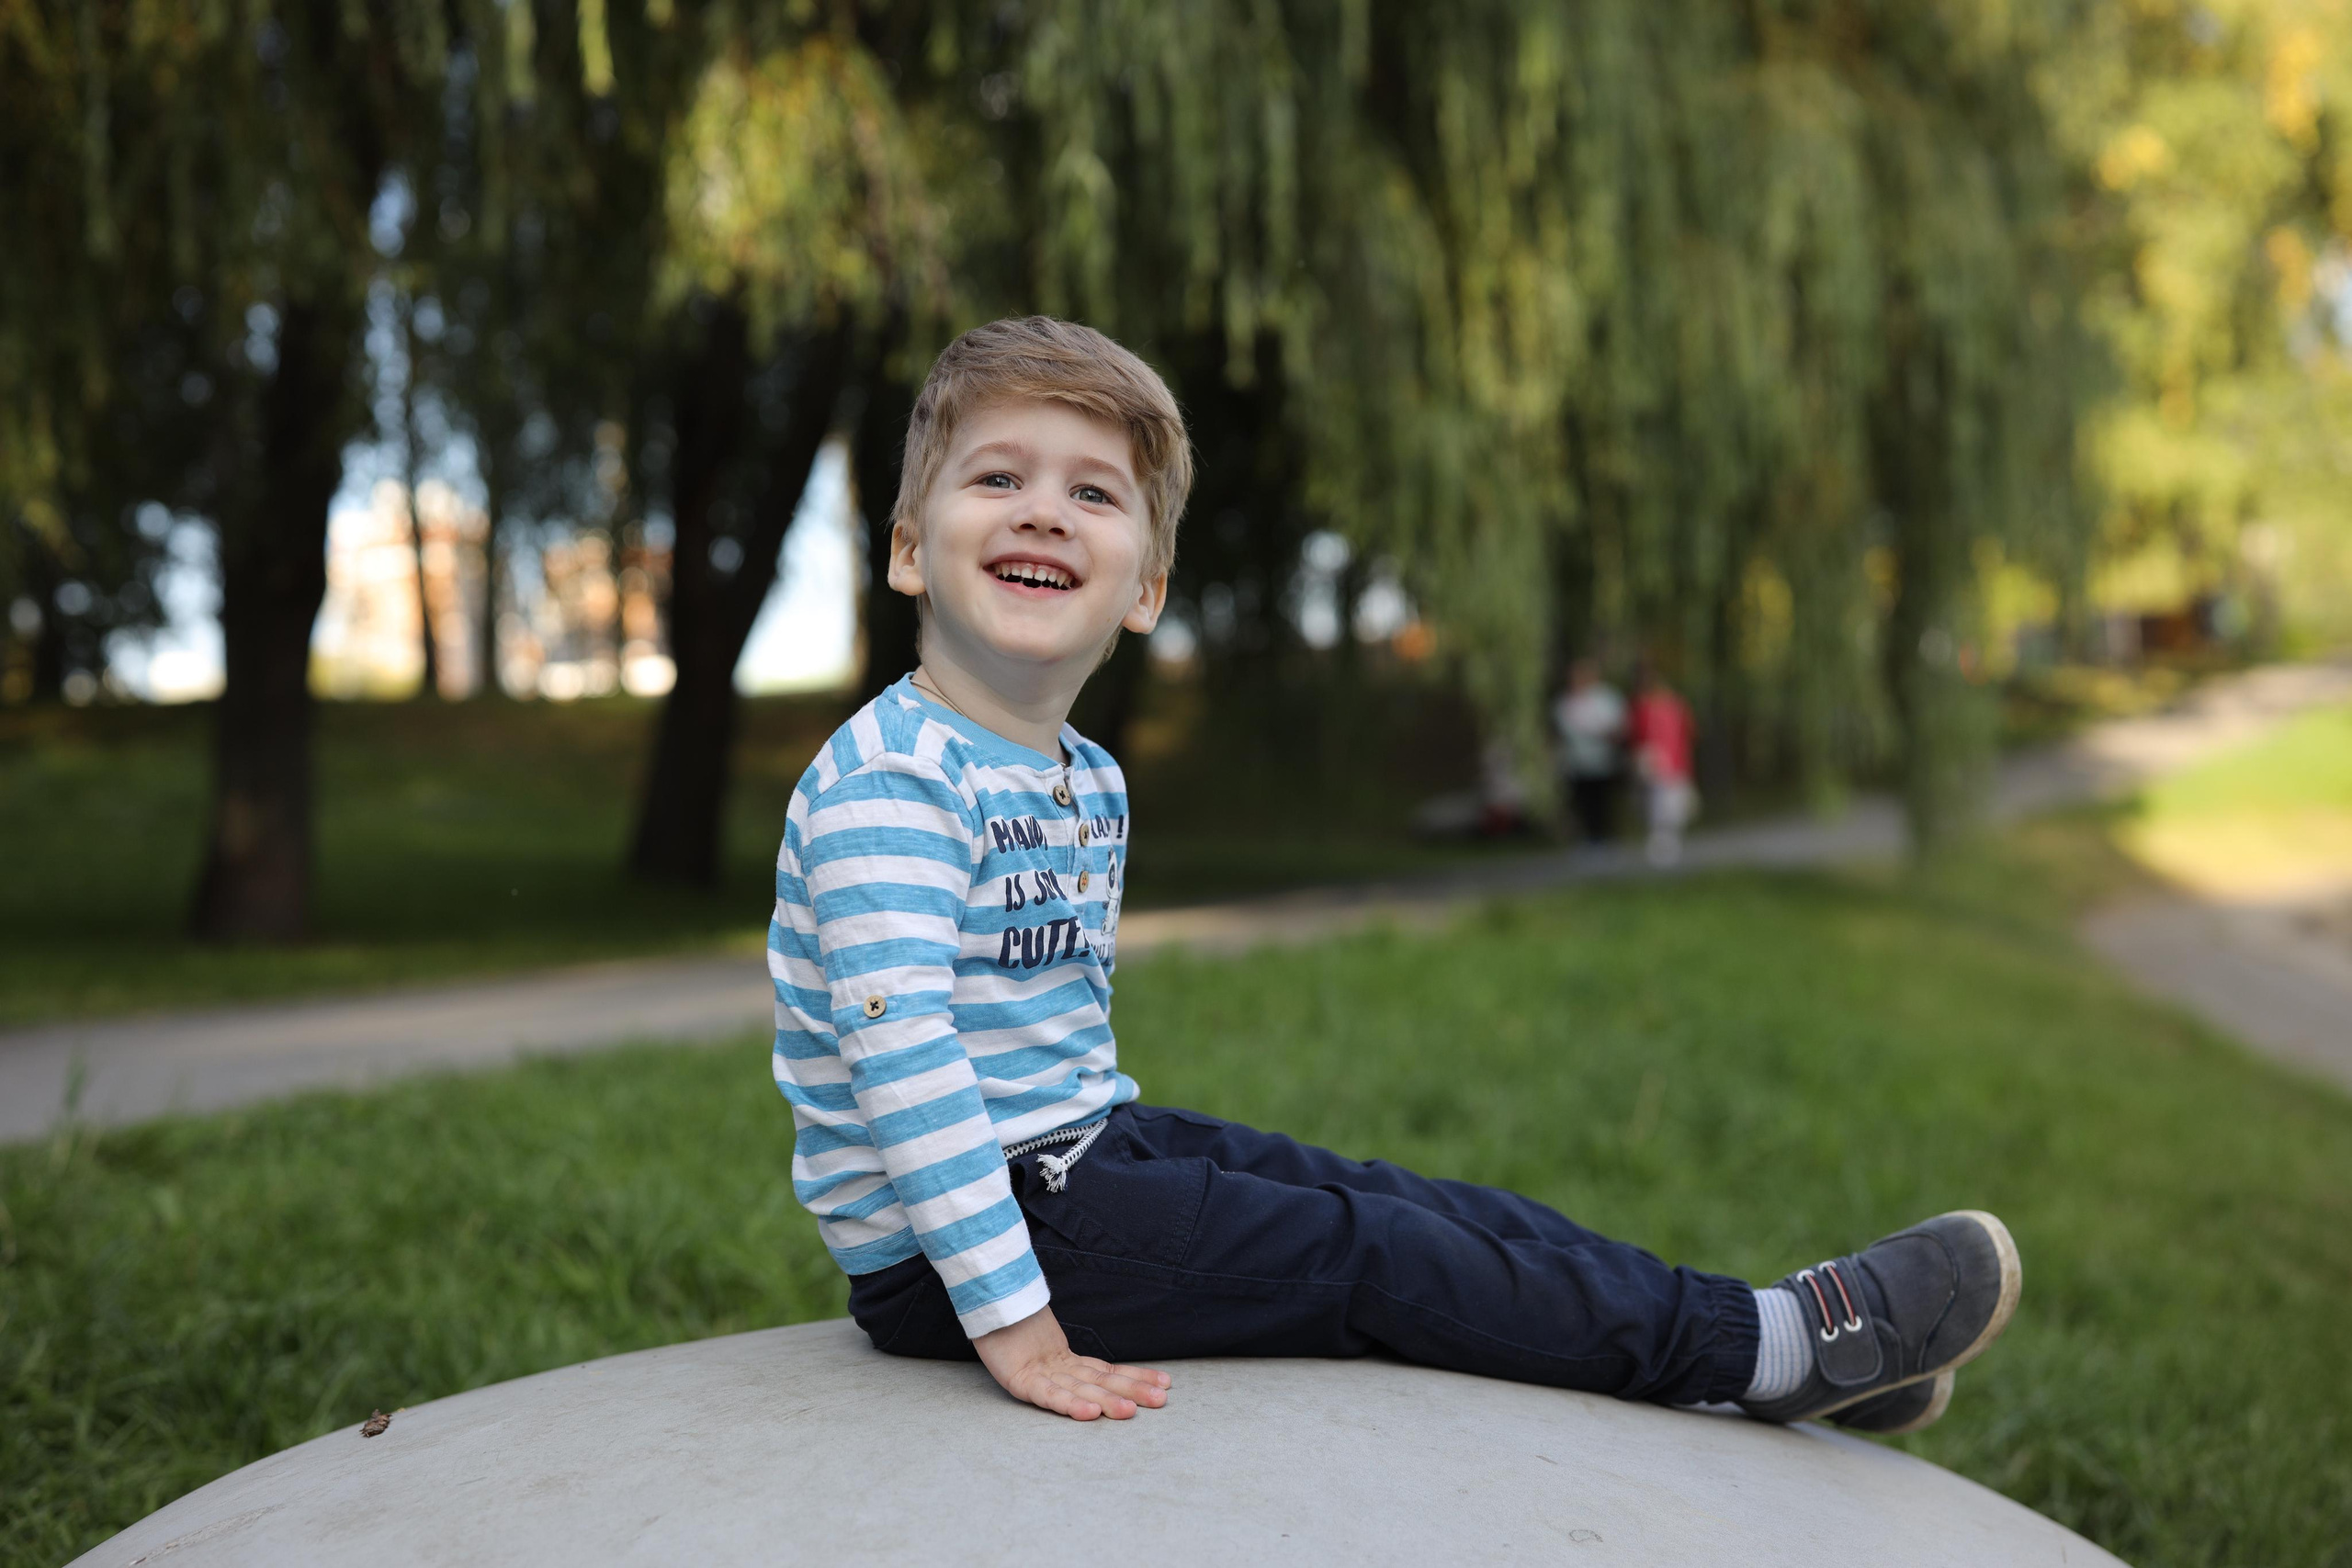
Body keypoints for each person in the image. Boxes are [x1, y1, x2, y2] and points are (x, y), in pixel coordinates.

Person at [768, 316, 2018, 1437]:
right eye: (998, 476)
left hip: (1075, 1154)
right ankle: (1767, 1345)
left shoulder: (1085, 773)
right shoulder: (892, 779)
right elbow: (909, 1066)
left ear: (1145, 589)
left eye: (1092, 491)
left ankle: (1763, 1341)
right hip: (959, 1246)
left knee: (1396, 1195)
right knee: (1369, 1253)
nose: (1042, 509)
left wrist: (1132, 1176)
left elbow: (1050, 1042)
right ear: (907, 552)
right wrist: (1016, 1323)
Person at [1626, 663, 1698, 866]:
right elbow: (1636, 737)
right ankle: (1660, 845)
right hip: (1654, 762)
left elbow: (1688, 732)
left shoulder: (1675, 706)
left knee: (1671, 805)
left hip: (1674, 762)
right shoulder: (1642, 708)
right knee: (1657, 803)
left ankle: (1667, 844)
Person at [1552, 658, 1625, 845]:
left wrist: (1601, 733)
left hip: (1603, 759)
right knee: (1582, 802)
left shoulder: (1606, 698)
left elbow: (1616, 727)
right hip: (1577, 761)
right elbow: (1565, 729)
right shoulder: (1565, 702)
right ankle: (1589, 838)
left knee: (1603, 801)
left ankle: (1607, 837)